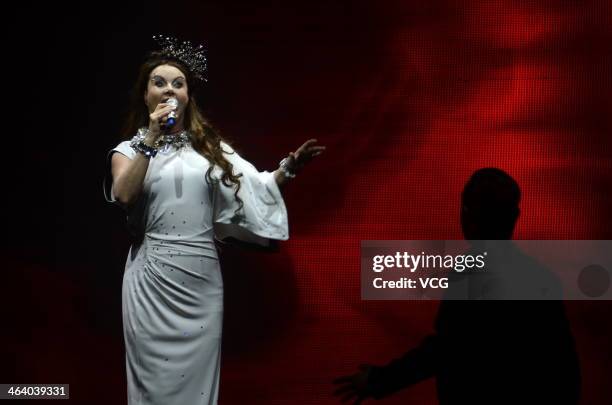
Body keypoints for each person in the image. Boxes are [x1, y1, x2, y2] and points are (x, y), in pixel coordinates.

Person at [103, 35, 324, 405]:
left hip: (201, 281)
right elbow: (124, 194)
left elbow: (258, 186)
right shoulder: (129, 150)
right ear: (145, 96)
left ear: (189, 95)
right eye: (159, 82)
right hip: (151, 278)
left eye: (178, 83)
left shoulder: (209, 150)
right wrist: (153, 136)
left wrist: (289, 168)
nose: (169, 89)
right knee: (150, 383)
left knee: (198, 387)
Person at [333, 168, 580, 404]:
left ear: (466, 216)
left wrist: (377, 381)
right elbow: (565, 373)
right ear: (515, 217)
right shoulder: (543, 280)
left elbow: (444, 350)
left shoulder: (469, 275)